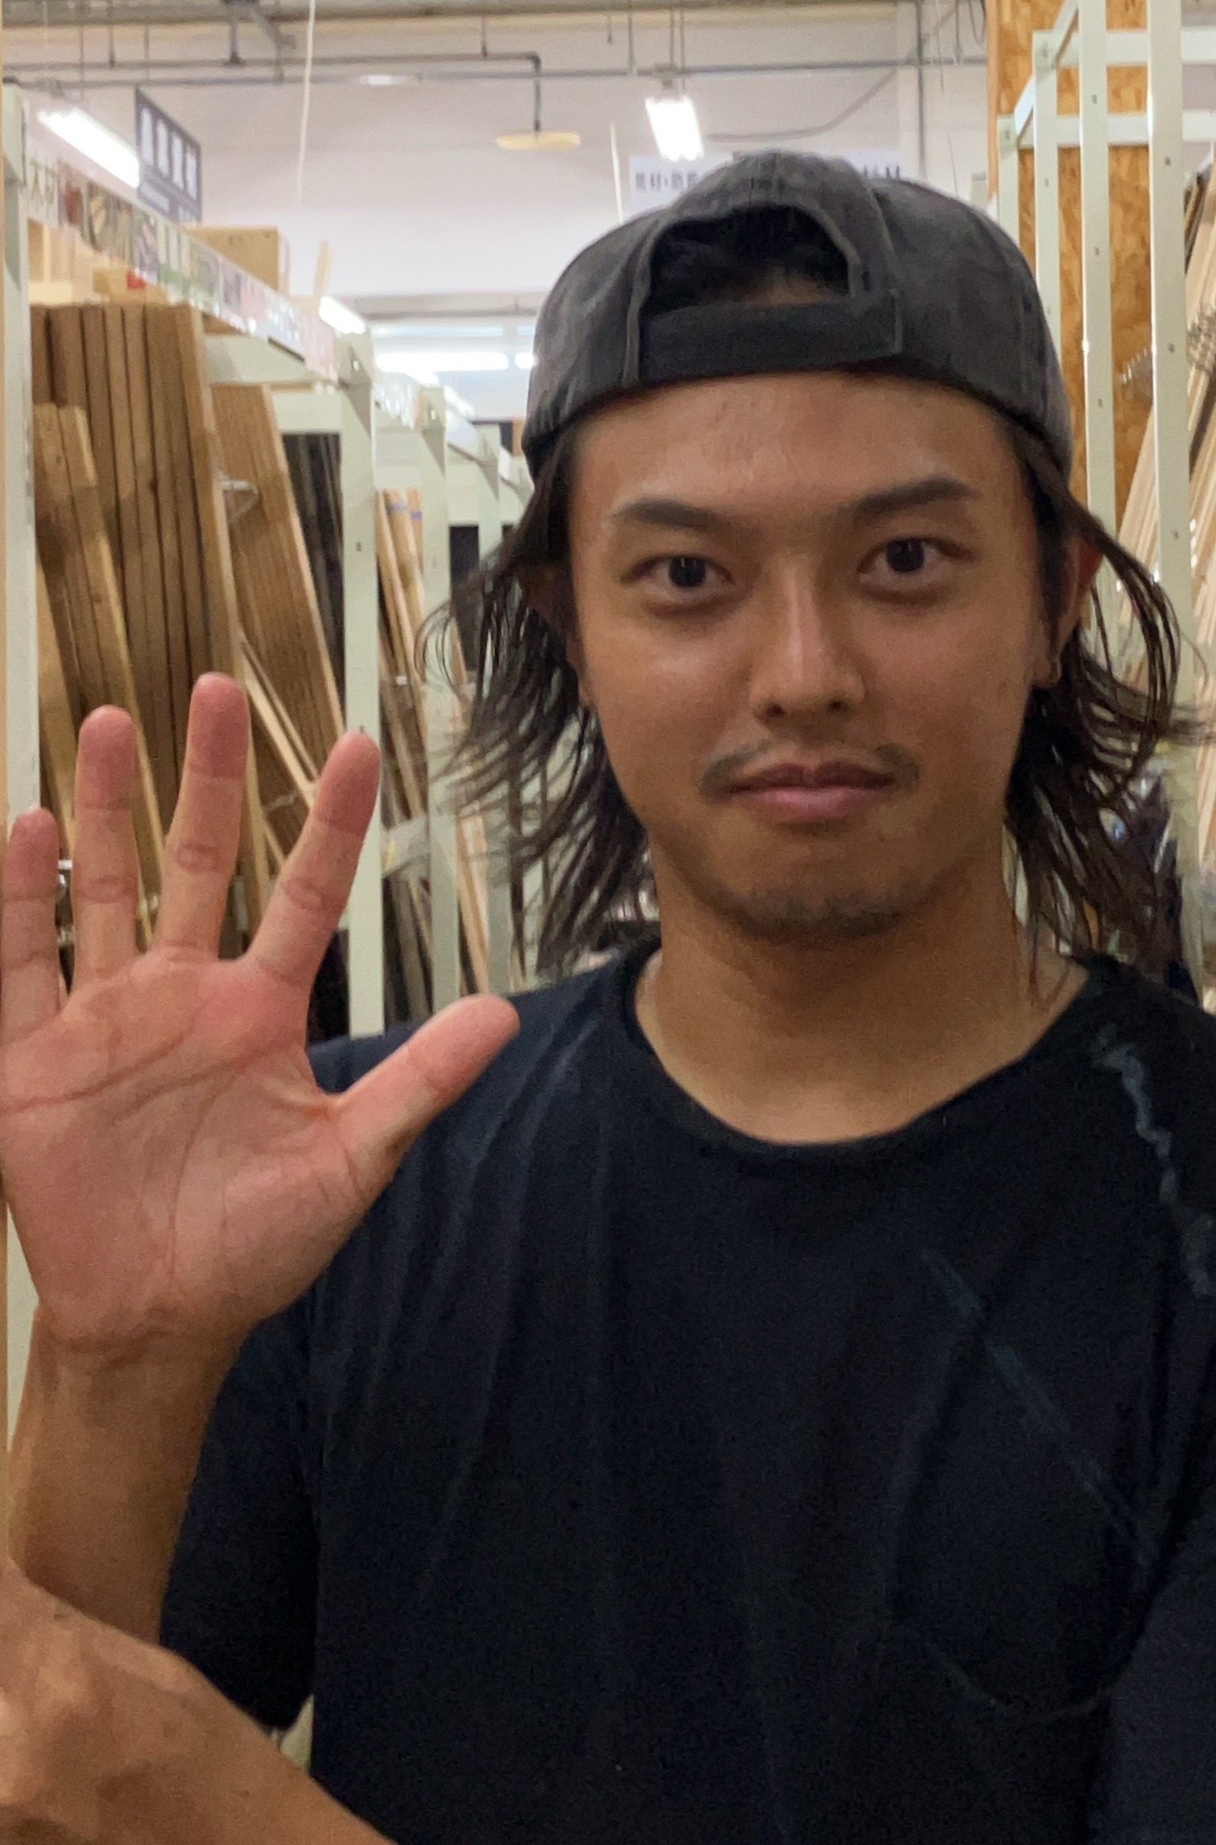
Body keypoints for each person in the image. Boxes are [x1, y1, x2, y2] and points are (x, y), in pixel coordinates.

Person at [5, 153, 1216, 1845]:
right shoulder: (354, 1185)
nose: (804, 673)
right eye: (687, 578)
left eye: (906, 558)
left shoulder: (1184, 1219)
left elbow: (149, 1784)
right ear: (566, 620)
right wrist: (117, 1368)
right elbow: (56, 1770)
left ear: (1054, 599)